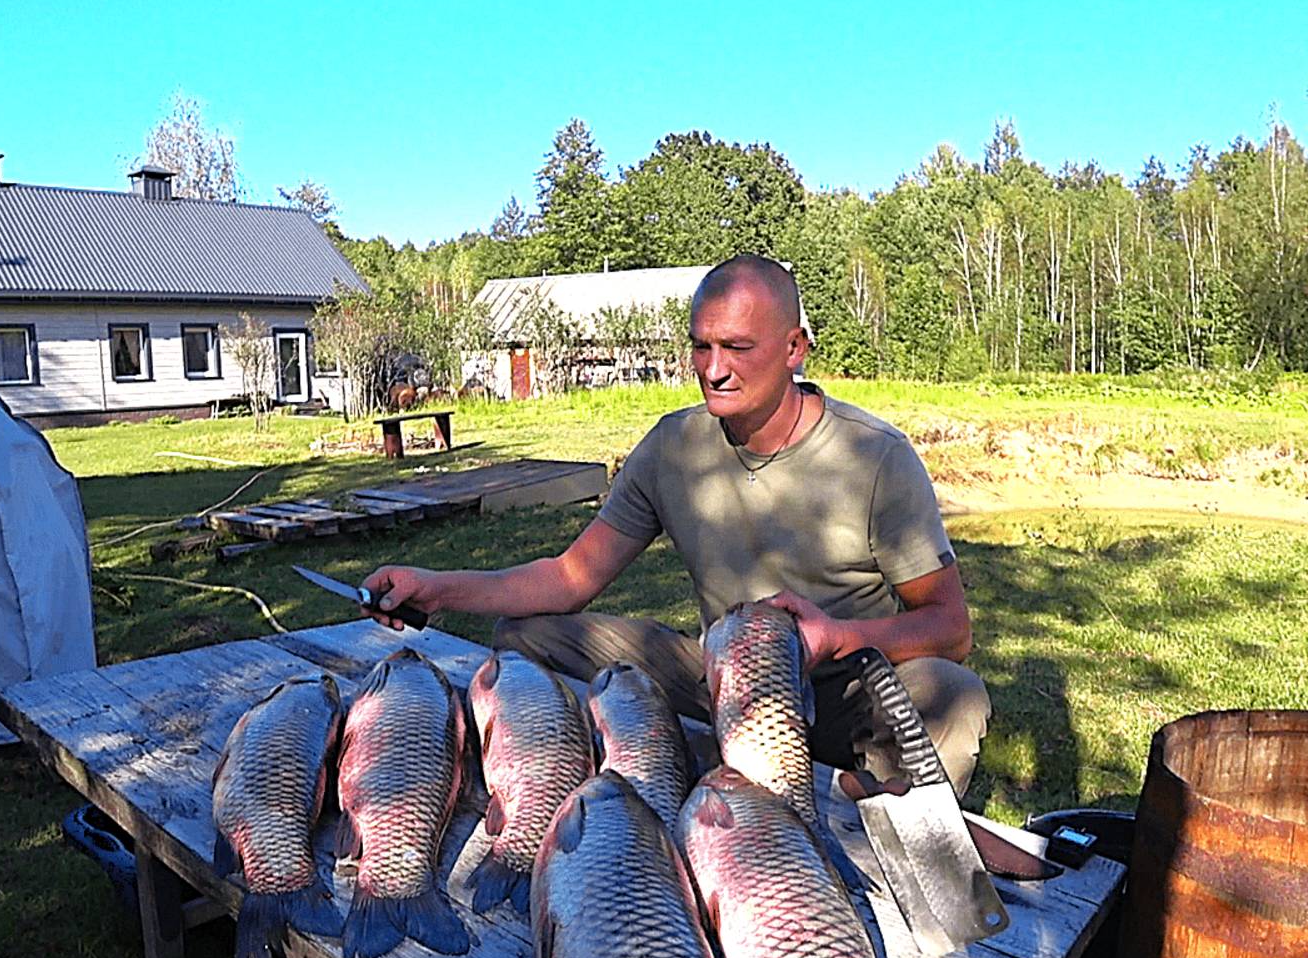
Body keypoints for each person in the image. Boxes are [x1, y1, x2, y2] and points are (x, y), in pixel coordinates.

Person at [360, 254, 990, 799]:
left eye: (738, 348)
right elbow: (570, 577)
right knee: (527, 638)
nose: (714, 368)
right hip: (720, 681)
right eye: (701, 345)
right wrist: (435, 589)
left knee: (952, 696)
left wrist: (835, 637)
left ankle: (852, 803)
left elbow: (950, 626)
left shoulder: (874, 457)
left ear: (795, 348)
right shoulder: (673, 449)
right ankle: (614, 776)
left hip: (842, 688)